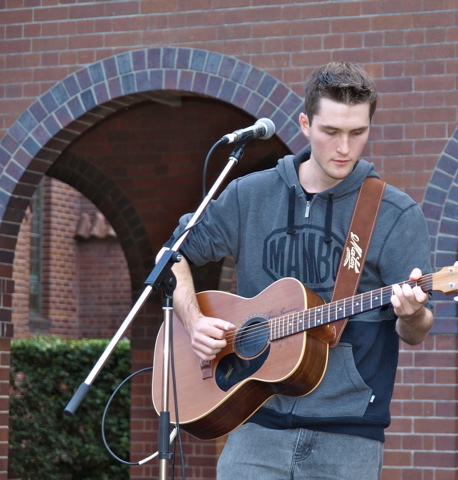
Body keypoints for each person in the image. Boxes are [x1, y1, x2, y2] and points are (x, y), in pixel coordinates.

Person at [164, 61, 434, 479]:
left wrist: (412, 313)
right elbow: (172, 256)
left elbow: (416, 333)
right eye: (331, 132)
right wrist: (194, 321)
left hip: (348, 437)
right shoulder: (249, 195)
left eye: (357, 133)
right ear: (305, 124)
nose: (344, 147)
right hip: (253, 423)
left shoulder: (394, 214)